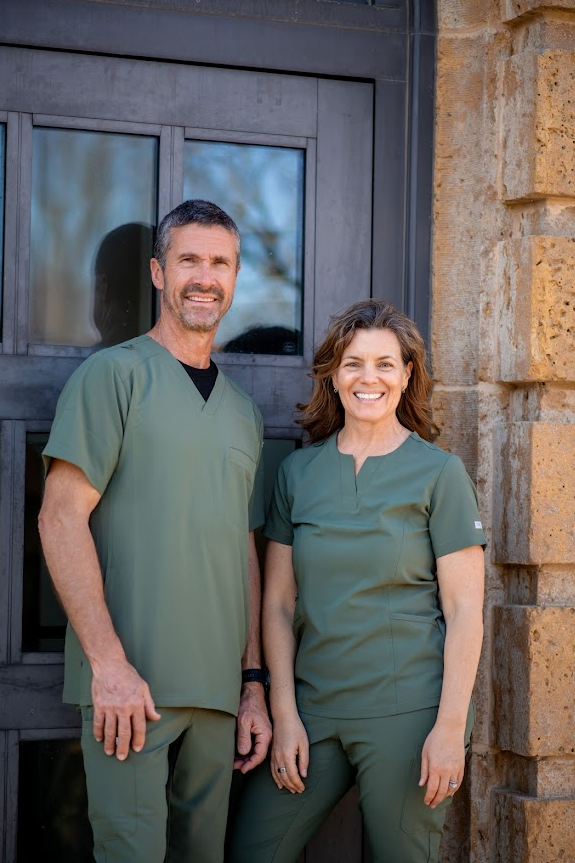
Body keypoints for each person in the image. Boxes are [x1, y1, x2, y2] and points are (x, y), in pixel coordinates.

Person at [38, 199, 272, 863]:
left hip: (218, 694)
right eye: (189, 259)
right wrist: (108, 665)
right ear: (159, 273)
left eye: (219, 262)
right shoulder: (111, 377)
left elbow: (242, 552)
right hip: (128, 691)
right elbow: (58, 517)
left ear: (233, 278)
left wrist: (251, 682)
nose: (204, 275)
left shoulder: (242, 412)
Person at [228, 298, 486, 863]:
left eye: (385, 364)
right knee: (251, 849)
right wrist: (285, 712)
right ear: (333, 375)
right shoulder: (298, 473)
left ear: (407, 374)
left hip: (408, 714)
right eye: (353, 363)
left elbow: (466, 611)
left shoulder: (439, 474)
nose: (369, 378)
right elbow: (276, 604)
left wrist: (449, 728)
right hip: (313, 710)